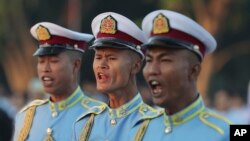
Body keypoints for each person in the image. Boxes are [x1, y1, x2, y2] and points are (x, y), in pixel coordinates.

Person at [141, 10, 232, 141]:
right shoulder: (140, 130)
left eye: (165, 60)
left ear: (193, 71)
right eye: (149, 60)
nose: (151, 70)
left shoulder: (226, 132)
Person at [73, 12, 161, 141]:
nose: (101, 65)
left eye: (111, 58)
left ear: (136, 66)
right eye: (98, 57)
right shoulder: (85, 125)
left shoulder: (157, 126)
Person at [13, 22, 93, 141]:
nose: (45, 69)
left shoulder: (97, 116)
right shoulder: (27, 116)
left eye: (54, 61)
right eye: (41, 61)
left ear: (75, 65)